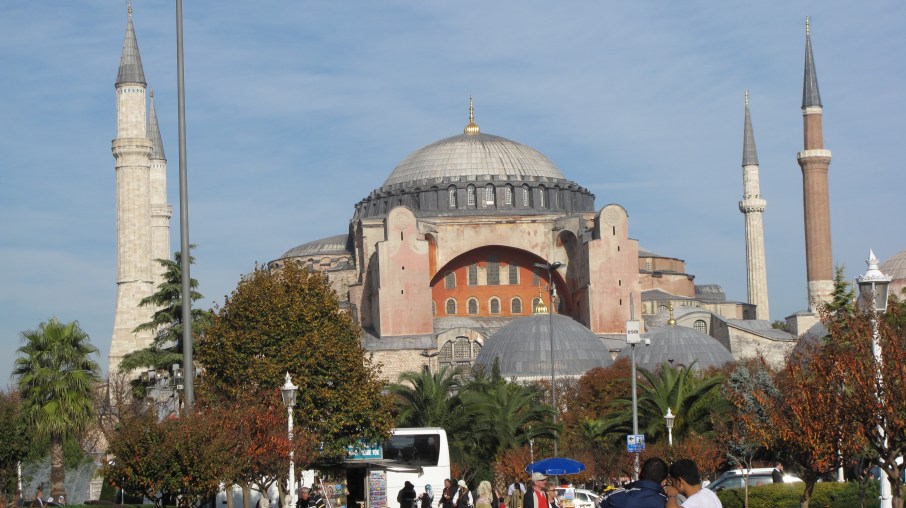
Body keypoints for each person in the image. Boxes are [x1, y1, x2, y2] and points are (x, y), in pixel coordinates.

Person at [599, 457, 669, 508]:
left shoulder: (618, 496)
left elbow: (599, 501)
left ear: (639, 473)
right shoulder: (668, 501)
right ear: (664, 481)